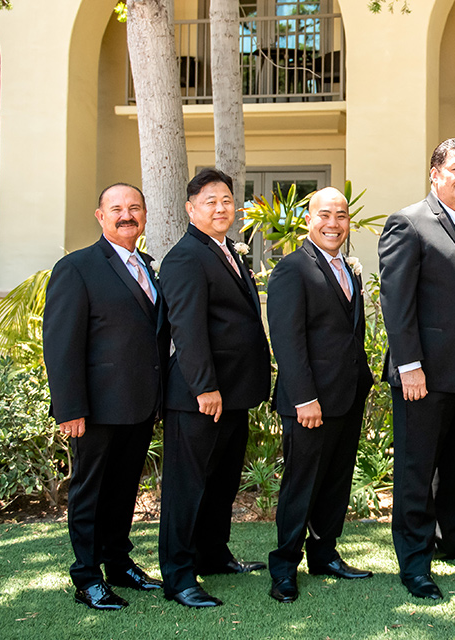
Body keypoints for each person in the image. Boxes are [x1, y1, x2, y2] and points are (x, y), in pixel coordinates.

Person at [378, 137, 455, 600]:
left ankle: (453, 539)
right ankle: (414, 562)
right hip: (424, 377)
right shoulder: (408, 224)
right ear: (435, 174)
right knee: (416, 470)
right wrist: (410, 365)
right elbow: (397, 302)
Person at [43, 183, 168, 610]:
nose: (126, 215)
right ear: (100, 216)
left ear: (145, 215)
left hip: (139, 404)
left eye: (134, 208)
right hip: (94, 409)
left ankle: (118, 562)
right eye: (116, 209)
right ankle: (86, 576)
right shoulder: (76, 267)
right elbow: (61, 344)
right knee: (90, 492)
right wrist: (70, 407)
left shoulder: (149, 266)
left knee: (122, 489)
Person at [157, 168, 271, 608]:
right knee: (188, 486)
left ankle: (213, 553)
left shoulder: (226, 251)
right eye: (210, 201)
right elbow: (186, 329)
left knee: (221, 482)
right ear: (191, 208)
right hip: (200, 396)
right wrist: (205, 387)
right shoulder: (186, 257)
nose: (221, 208)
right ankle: (179, 576)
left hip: (234, 393)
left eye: (226, 200)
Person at [265, 187, 375, 603]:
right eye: (325, 215)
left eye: (341, 215)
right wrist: (303, 398)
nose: (334, 223)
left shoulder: (351, 269)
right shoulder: (292, 268)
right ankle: (284, 567)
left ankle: (324, 554)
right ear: (308, 219)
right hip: (308, 402)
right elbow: (287, 341)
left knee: (335, 483)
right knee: (301, 485)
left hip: (346, 396)